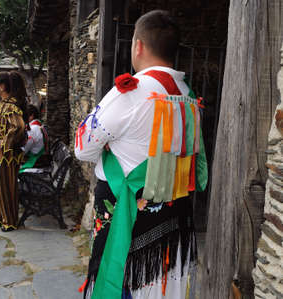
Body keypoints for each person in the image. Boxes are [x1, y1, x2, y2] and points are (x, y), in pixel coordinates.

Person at [75, 10, 208, 299]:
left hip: (129, 216)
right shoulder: (189, 95)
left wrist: (109, 144)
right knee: (159, 286)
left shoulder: (132, 91)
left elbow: (83, 147)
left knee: (121, 284)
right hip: (171, 216)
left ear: (138, 46)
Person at [0, 71, 27, 232]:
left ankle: (10, 221)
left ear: (2, 86)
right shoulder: (2, 104)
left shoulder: (11, 106)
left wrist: (5, 143)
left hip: (7, 156)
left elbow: (18, 126)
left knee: (5, 187)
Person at [19, 104, 50, 173]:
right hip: (41, 158)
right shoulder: (38, 125)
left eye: (23, 116)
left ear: (31, 116)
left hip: (36, 160)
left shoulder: (33, 129)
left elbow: (23, 151)